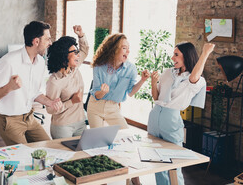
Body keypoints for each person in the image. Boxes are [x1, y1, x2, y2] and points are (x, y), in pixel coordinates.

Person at [0, 21, 63, 146]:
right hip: (9, 120)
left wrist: (50, 102)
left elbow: (34, 92)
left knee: (49, 148)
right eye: (48, 39)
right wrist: (9, 87)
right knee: (24, 157)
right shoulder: (9, 61)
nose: (50, 43)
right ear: (36, 41)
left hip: (29, 117)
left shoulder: (40, 63)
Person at [148, 42, 215, 185]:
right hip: (154, 116)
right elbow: (156, 97)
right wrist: (153, 83)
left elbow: (194, 76)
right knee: (156, 162)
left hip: (171, 119)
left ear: (187, 56)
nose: (172, 58)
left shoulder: (195, 79)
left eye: (176, 54)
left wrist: (205, 53)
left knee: (174, 163)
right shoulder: (167, 72)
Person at [87, 33, 150, 129]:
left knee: (125, 134)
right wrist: (102, 92)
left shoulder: (131, 69)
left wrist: (142, 80)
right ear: (114, 49)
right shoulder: (99, 66)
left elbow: (131, 92)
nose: (128, 51)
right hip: (95, 107)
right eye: (124, 48)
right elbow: (96, 93)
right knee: (97, 140)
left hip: (113, 109)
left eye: (128, 48)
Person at [45, 25, 89, 139]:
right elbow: (50, 109)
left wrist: (81, 35)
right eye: (75, 52)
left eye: (77, 51)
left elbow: (85, 50)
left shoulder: (75, 68)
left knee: (82, 155)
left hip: (81, 122)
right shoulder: (54, 81)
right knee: (67, 157)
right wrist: (72, 101)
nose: (78, 54)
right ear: (64, 56)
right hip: (63, 127)